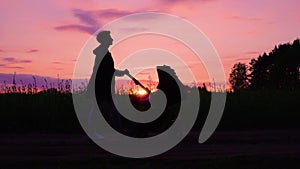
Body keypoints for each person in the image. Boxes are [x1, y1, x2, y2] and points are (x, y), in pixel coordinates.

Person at [87, 30, 128, 133]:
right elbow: (107, 71)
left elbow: (109, 70)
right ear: (105, 40)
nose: (112, 39)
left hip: (104, 85)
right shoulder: (103, 53)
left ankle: (120, 130)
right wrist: (121, 72)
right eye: (109, 37)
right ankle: (93, 131)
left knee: (110, 108)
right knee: (99, 108)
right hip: (102, 85)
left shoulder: (103, 53)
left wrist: (121, 72)